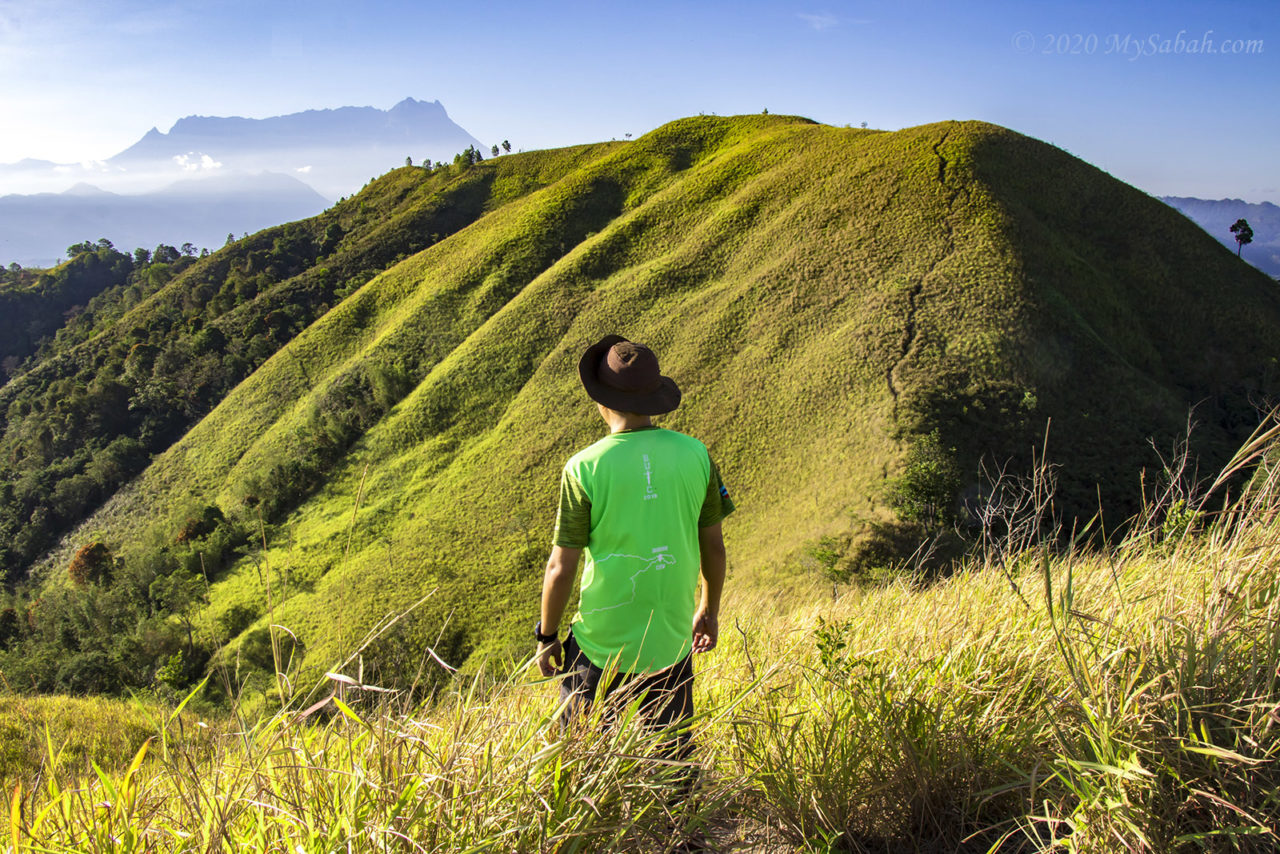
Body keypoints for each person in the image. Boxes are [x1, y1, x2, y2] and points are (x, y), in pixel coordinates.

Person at [536, 334, 735, 758]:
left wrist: (547, 636)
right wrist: (709, 610)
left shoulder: (584, 467)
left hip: (599, 646)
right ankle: (679, 821)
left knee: (581, 763)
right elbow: (714, 549)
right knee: (672, 762)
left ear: (600, 400)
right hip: (670, 642)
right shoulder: (697, 455)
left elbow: (560, 567)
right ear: (655, 398)